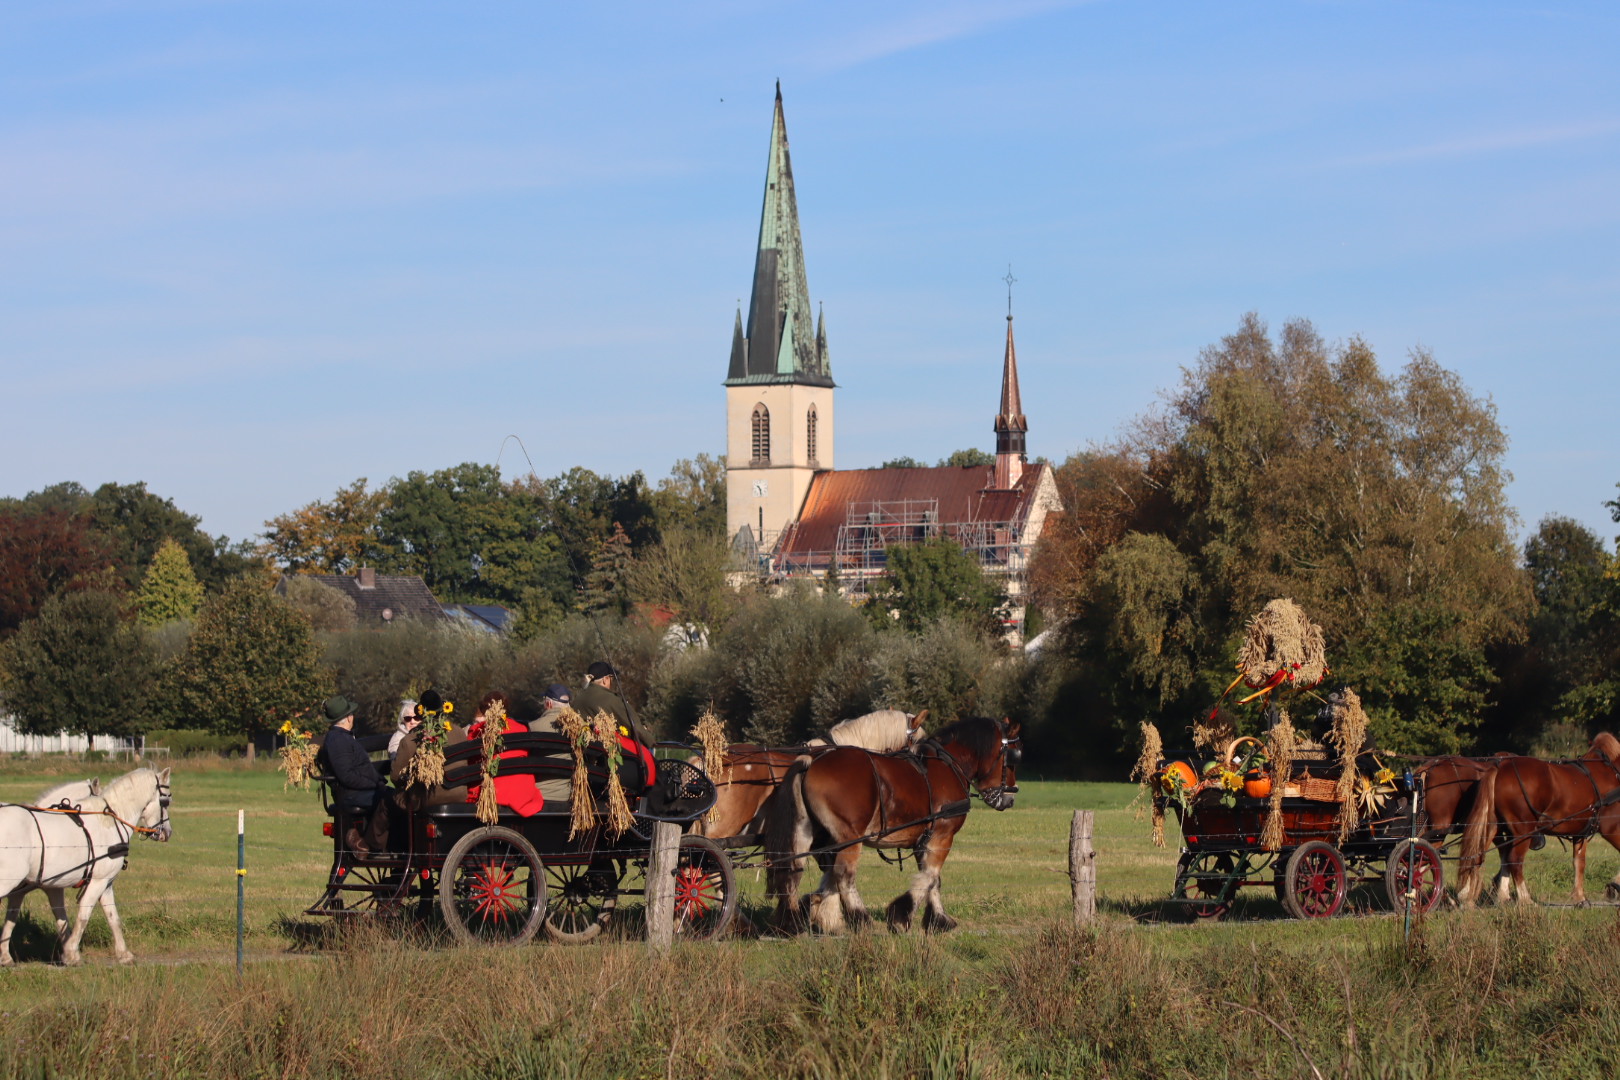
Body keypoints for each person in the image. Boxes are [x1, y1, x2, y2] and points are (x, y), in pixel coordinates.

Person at [318, 695, 389, 854]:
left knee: (393, 797)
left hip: (355, 792)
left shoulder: (341, 738)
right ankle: (371, 843)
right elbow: (347, 776)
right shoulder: (338, 740)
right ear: (348, 718)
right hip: (351, 794)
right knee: (394, 802)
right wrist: (376, 785)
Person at [573, 661, 657, 793]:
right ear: (606, 680)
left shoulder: (577, 700)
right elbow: (636, 729)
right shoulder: (611, 700)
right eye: (611, 679)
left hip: (584, 765)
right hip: (611, 767)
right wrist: (651, 741)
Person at [465, 690, 544, 816]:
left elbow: (471, 764)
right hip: (522, 793)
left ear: (485, 710)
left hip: (494, 794)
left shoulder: (477, 732)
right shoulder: (521, 729)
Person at [528, 684, 576, 807]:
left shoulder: (533, 727)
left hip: (540, 794)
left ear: (548, 704)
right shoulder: (579, 727)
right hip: (568, 795)